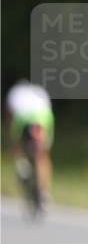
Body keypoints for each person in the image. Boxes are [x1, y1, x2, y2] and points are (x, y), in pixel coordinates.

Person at [5, 80, 55, 212]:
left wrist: (16, 151)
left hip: (23, 118)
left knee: (16, 143)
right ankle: (44, 193)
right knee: (43, 154)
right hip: (44, 117)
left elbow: (9, 118)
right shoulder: (40, 92)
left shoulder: (14, 94)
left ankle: (21, 165)